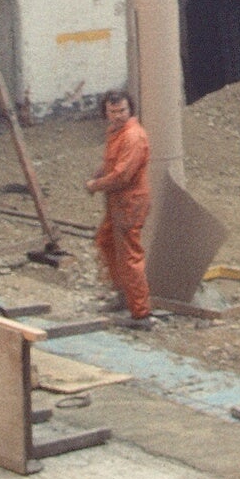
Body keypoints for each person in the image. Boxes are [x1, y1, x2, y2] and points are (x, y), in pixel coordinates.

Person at [87, 89, 152, 321]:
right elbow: (111, 163)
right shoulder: (115, 132)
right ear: (106, 112)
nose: (118, 116)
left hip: (130, 203)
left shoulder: (133, 136)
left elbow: (122, 176)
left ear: (130, 110)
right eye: (113, 111)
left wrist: (96, 185)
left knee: (129, 256)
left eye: (122, 111)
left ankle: (140, 313)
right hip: (117, 202)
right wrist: (98, 175)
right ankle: (123, 294)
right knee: (106, 242)